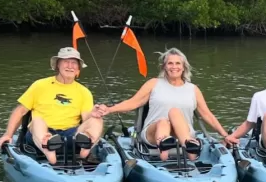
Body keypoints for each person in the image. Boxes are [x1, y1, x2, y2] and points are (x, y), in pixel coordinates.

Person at [95, 47, 228, 161]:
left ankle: (188, 145)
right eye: (170, 63)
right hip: (153, 132)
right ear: (164, 66)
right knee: (163, 122)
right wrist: (109, 109)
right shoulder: (154, 83)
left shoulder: (193, 89)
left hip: (183, 132)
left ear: (183, 67)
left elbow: (207, 115)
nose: (174, 67)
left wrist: (225, 135)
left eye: (177, 63)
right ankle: (164, 146)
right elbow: (133, 102)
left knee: (174, 112)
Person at [0, 47, 104, 165]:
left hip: (71, 135)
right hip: (42, 133)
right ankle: (48, 147)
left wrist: (94, 114)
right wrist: (8, 135)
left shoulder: (84, 92)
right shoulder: (40, 85)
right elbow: (20, 111)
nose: (70, 66)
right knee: (37, 121)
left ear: (78, 68)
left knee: (97, 120)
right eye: (66, 61)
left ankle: (86, 145)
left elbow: (86, 119)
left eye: (74, 63)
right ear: (58, 65)